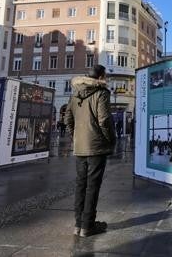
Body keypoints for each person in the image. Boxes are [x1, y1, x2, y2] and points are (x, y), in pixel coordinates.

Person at [63, 65, 117, 237]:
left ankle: (78, 225)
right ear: (101, 77)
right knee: (92, 186)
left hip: (80, 147)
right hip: (96, 147)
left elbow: (67, 120)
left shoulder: (74, 94)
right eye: (105, 76)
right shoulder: (101, 93)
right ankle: (88, 226)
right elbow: (104, 120)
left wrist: (75, 137)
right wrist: (110, 139)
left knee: (81, 185)